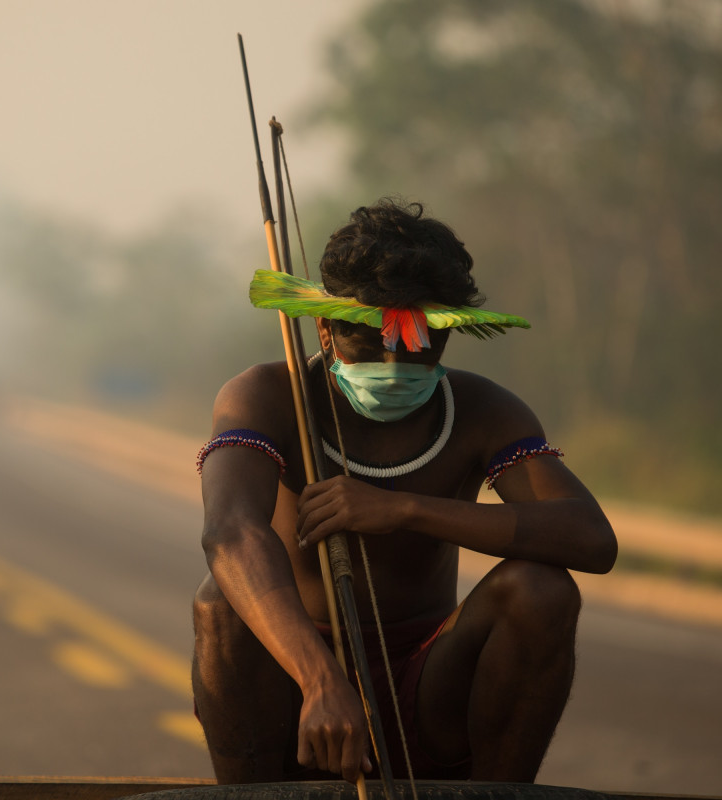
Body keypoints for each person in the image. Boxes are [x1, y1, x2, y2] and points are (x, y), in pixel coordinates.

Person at [191, 198, 616, 785]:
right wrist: (320, 680)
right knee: (220, 602)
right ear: (326, 325)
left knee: (540, 590)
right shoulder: (268, 394)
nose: (395, 360)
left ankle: (496, 798)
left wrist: (404, 509)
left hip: (428, 682)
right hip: (294, 685)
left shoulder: (482, 409)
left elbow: (591, 539)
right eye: (369, 338)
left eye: (419, 341)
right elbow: (230, 531)